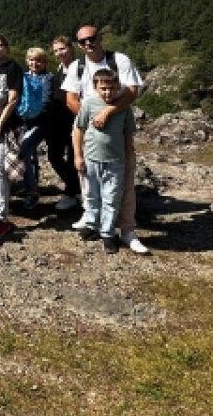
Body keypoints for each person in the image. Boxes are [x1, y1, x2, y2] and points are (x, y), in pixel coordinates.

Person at [61, 25, 150, 255]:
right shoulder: (76, 66)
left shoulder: (118, 60)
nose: (88, 44)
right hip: (90, 130)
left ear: (100, 38)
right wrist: (91, 118)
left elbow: (132, 91)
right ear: (78, 45)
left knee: (124, 185)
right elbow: (71, 98)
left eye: (92, 39)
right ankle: (94, 222)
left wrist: (107, 112)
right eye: (82, 41)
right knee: (89, 183)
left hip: (117, 128)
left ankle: (127, 231)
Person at [72, 69, 137, 254]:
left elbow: (127, 135)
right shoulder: (89, 104)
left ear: (118, 88)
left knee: (111, 198)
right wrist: (78, 156)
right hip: (91, 158)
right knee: (92, 195)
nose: (108, 93)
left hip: (115, 161)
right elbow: (79, 130)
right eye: (104, 89)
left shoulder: (124, 108)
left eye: (112, 89)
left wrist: (128, 159)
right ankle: (92, 224)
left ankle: (108, 234)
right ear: (95, 87)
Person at [0, 34, 23, 237]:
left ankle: (3, 218)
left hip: (9, 127)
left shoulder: (13, 68)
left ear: (7, 48)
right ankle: (2, 208)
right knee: (0, 169)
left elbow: (13, 100)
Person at [46, 37, 82, 211]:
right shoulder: (60, 69)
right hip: (58, 121)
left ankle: (71, 194)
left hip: (75, 120)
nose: (59, 53)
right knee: (54, 156)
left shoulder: (81, 68)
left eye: (62, 49)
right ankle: (76, 188)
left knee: (73, 158)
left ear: (71, 47)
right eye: (56, 51)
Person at [17, 47, 53, 210]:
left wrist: (30, 113)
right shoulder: (23, 77)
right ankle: (31, 183)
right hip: (24, 122)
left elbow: (46, 102)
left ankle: (32, 192)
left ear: (44, 62)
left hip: (41, 123)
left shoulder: (48, 78)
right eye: (31, 60)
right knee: (30, 154)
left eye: (38, 60)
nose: (34, 63)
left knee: (25, 148)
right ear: (27, 61)